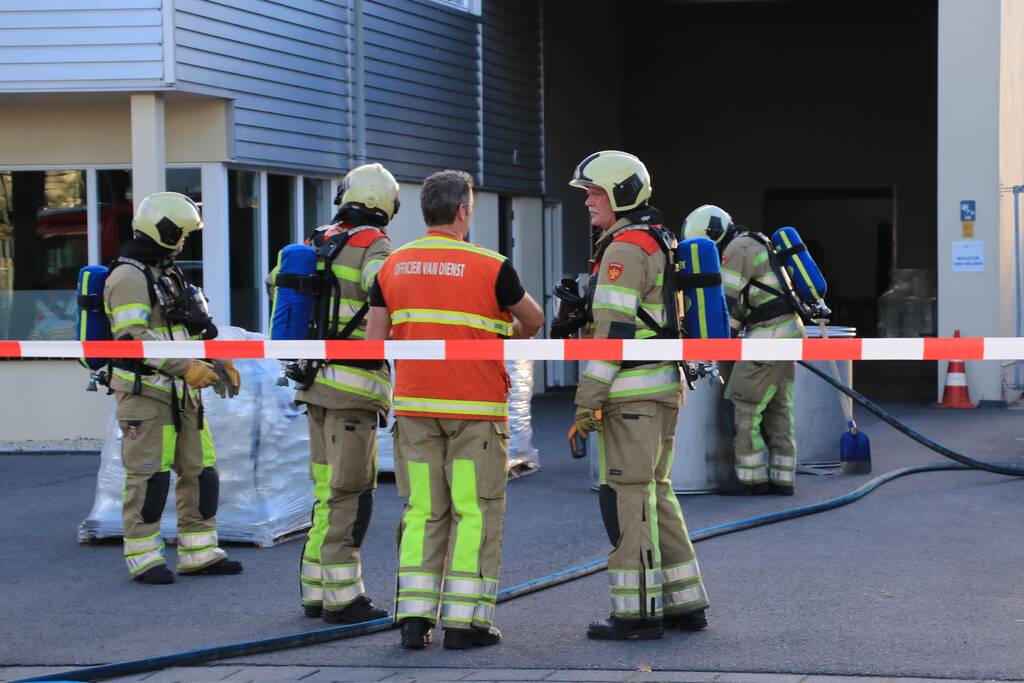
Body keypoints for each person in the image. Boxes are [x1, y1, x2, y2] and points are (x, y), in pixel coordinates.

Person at [366, 169, 544, 650]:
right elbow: (534, 319)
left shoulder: (393, 266)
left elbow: (373, 342)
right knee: (474, 512)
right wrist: (498, 337)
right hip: (475, 410)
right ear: (463, 211)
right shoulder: (491, 265)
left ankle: (414, 619)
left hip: (416, 409)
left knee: (423, 511)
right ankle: (465, 625)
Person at [568, 150, 710, 640]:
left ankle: (637, 613)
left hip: (632, 397)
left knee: (629, 498)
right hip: (661, 390)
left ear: (620, 194)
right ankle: (685, 603)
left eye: (594, 192)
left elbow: (614, 333)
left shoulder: (624, 248)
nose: (587, 201)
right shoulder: (654, 239)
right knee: (658, 494)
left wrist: (587, 399)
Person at [104, 191, 242, 584]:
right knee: (149, 478)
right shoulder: (128, 276)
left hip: (184, 394)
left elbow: (183, 328)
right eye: (180, 234)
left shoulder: (166, 272)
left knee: (201, 473)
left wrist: (214, 359)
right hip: (147, 395)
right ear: (162, 230)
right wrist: (186, 367)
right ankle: (144, 557)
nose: (184, 242)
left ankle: (200, 552)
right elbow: (133, 337)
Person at [281, 163, 398, 624]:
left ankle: (315, 591)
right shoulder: (374, 244)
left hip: (314, 386)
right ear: (386, 204)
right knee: (350, 493)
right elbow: (385, 292)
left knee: (327, 491)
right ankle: (344, 599)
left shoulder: (318, 241)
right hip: (352, 389)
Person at [682, 205, 803, 495]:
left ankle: (750, 479)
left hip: (769, 334)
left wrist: (712, 342)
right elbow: (741, 308)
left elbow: (726, 300)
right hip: (787, 331)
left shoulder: (736, 249)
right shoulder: (753, 240)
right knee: (777, 407)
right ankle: (781, 478)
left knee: (741, 403)